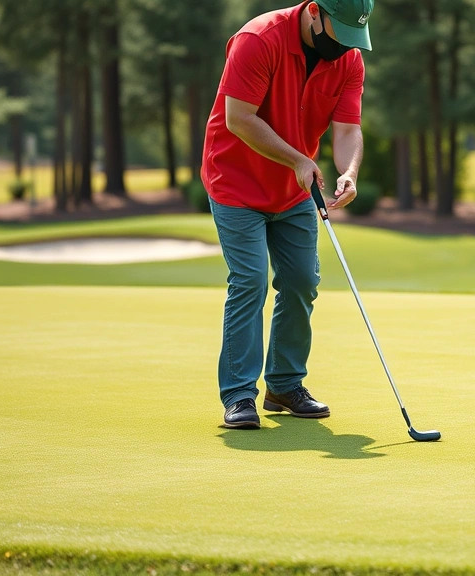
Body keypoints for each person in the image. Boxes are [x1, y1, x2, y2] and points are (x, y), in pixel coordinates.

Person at [201, 0, 374, 429]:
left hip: (295, 189)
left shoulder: (349, 58)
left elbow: (349, 129)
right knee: (250, 281)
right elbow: (239, 118)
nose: (346, 47)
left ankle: (283, 384)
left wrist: (349, 172)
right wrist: (299, 159)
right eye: (341, 33)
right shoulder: (258, 39)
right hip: (235, 182)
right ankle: (240, 396)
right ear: (315, 11)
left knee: (301, 281)